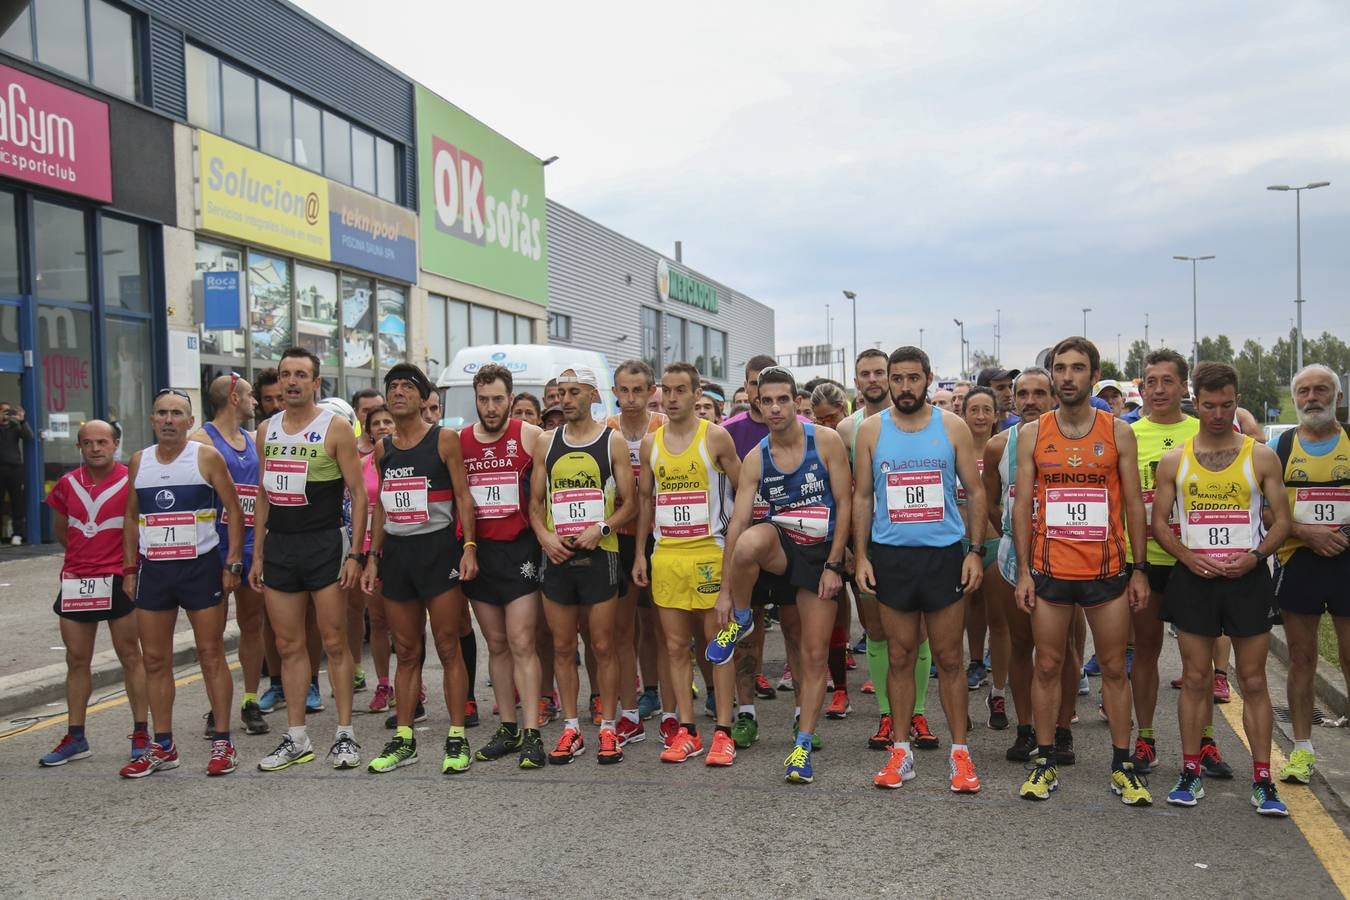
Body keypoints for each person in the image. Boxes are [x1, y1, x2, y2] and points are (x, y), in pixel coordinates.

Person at [1013, 336, 1153, 805]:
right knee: (1047, 664)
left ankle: (1122, 764)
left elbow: (1133, 502)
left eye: (1077, 368)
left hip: (1106, 570)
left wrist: (1139, 569)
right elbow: (1021, 505)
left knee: (1114, 667)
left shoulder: (1118, 432)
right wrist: (1025, 571)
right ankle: (1046, 760)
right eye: (1060, 368)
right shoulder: (1033, 433)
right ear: (1052, 374)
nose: (1067, 376)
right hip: (1050, 569)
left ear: (1094, 375)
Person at [1151, 362, 1291, 815]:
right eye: (1208, 405)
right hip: (1196, 579)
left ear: (1237, 399)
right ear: (1195, 400)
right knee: (1194, 678)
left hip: (1246, 578)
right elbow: (1158, 522)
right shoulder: (1176, 459)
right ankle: (1190, 771)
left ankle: (1263, 779)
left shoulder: (1261, 456)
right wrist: (1187, 556)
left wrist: (1255, 556)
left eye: (1226, 404)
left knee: (1251, 679)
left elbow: (1283, 520)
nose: (1217, 413)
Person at [854, 347, 987, 793]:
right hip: (892, 557)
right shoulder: (871, 430)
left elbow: (974, 489)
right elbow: (862, 498)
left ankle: (960, 755)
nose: (905, 386)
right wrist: (860, 556)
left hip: (944, 555)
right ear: (887, 381)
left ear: (928, 378)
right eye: (898, 378)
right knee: (900, 655)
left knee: (950, 659)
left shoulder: (952, 426)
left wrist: (973, 551)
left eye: (914, 378)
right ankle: (901, 751)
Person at [711, 366, 852, 784]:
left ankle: (802, 745)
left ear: (796, 401)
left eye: (782, 400)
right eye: (766, 401)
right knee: (748, 542)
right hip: (780, 544)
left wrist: (835, 564)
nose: (774, 408)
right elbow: (736, 524)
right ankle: (741, 620)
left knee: (813, 654)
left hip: (819, 554)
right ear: (757, 404)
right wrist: (725, 593)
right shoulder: (756, 457)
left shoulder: (824, 441)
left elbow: (845, 503)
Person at [251, 347, 368, 772]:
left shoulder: (335, 428)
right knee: (287, 645)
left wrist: (356, 552)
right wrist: (258, 551)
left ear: (316, 382)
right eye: (286, 374)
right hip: (281, 545)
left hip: (324, 543)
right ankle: (296, 736)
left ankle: (344, 735)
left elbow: (358, 493)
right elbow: (264, 492)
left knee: (334, 641)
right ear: (279, 381)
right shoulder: (266, 429)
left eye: (301, 374)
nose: (293, 381)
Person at [118, 390, 244, 778]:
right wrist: (129, 569)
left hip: (200, 568)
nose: (169, 420)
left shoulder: (205, 457)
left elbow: (235, 511)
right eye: (161, 413)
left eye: (177, 413)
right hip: (155, 571)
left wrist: (233, 563)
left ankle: (223, 740)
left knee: (210, 654)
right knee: (154, 660)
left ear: (190, 422)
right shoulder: (139, 461)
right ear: (152, 419)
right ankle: (163, 745)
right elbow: (130, 518)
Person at [362, 364, 478, 774]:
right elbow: (381, 509)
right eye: (392, 387)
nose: (397, 393)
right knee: (407, 652)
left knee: (448, 647)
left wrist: (468, 547)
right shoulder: (382, 447)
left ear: (423, 397)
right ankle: (405, 739)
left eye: (406, 387)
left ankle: (457, 736)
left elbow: (464, 498)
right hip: (398, 554)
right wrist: (372, 557)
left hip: (438, 550)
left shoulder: (444, 439)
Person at [1125, 349, 1234, 778]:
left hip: (1195, 561)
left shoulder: (1202, 429)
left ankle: (1205, 740)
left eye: (1167, 381)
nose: (1158, 389)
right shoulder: (1129, 434)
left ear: (1183, 386)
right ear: (1142, 387)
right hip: (1148, 561)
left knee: (1198, 661)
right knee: (1146, 651)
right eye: (1150, 381)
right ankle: (1146, 738)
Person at [633, 363, 741, 765]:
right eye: (668, 390)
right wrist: (641, 553)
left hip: (711, 555)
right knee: (676, 647)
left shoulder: (715, 437)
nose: (673, 398)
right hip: (667, 557)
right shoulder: (651, 444)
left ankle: (724, 731)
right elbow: (646, 500)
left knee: (718, 647)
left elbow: (744, 485)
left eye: (682, 390)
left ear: (698, 395)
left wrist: (740, 544)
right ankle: (688, 730)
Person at [529, 366, 636, 764]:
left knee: (602, 643)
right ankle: (572, 727)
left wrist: (602, 527)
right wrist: (544, 536)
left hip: (600, 555)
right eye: (561, 392)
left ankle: (608, 727)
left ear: (593, 394)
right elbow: (535, 504)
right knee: (561, 646)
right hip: (557, 556)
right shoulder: (546, 442)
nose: (566, 399)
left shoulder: (613, 442)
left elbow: (631, 503)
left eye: (575, 391)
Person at [982, 368, 1081, 763]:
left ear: (1054, 397)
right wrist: (1012, 535)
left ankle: (1062, 729)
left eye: (1039, 393)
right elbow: (990, 500)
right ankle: (1025, 728)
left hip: (1066, 555)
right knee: (1021, 645)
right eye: (1022, 393)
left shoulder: (1075, 441)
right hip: (1014, 555)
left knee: (1064, 650)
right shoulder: (997, 446)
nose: (1029, 401)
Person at [39, 420, 150, 767]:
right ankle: (76, 736)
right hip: (77, 580)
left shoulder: (131, 481)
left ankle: (142, 732)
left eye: (102, 441)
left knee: (131, 656)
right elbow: (62, 529)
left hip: (119, 577)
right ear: (79, 447)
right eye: (88, 443)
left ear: (116, 444)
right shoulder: (67, 484)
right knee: (76, 660)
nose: (95, 448)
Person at [459, 364, 548, 769]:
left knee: (522, 641)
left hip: (520, 551)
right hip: (480, 553)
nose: (491, 408)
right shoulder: (459, 441)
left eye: (498, 399)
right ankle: (509, 726)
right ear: (475, 400)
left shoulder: (531, 436)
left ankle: (532, 731)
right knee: (496, 644)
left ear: (511, 399)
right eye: (483, 400)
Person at [1273, 364, 1350, 787]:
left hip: (1346, 559)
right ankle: (1302, 751)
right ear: (1295, 398)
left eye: (1322, 390)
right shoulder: (1281, 445)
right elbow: (1264, 508)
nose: (1312, 397)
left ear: (1337, 398)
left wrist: (1338, 535)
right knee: (1301, 659)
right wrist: (1305, 531)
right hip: (1299, 560)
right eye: (1304, 391)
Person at [189, 373, 269, 737]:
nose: (256, 402)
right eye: (251, 395)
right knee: (213, 636)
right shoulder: (200, 440)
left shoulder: (254, 440)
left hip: (252, 545)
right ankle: (216, 705)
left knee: (252, 625)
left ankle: (250, 699)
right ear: (234, 398)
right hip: (213, 549)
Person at [605, 361, 667, 748]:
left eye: (637, 391)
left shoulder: (662, 426)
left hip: (663, 535)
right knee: (623, 628)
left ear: (650, 392)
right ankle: (636, 704)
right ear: (615, 392)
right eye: (623, 391)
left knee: (663, 626)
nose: (629, 399)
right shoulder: (606, 431)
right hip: (620, 536)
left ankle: (670, 698)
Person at [358, 405, 396, 713]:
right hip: (373, 551)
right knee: (379, 621)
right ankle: (384, 683)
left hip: (404, 547)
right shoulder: (363, 465)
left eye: (388, 421)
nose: (383, 426)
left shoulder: (411, 459)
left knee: (407, 624)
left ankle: (416, 682)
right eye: (377, 423)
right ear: (369, 431)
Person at [0, 400, 33, 544]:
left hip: (15, 468)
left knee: (17, 501)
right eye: (4, 411)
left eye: (9, 410)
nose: (7, 414)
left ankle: (17, 534)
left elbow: (29, 436)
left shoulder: (15, 426)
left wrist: (22, 420)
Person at [976, 367, 1019, 431]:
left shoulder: (1020, 425)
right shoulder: (971, 428)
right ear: (983, 392)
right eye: (1000, 388)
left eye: (1010, 386)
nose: (1009, 394)